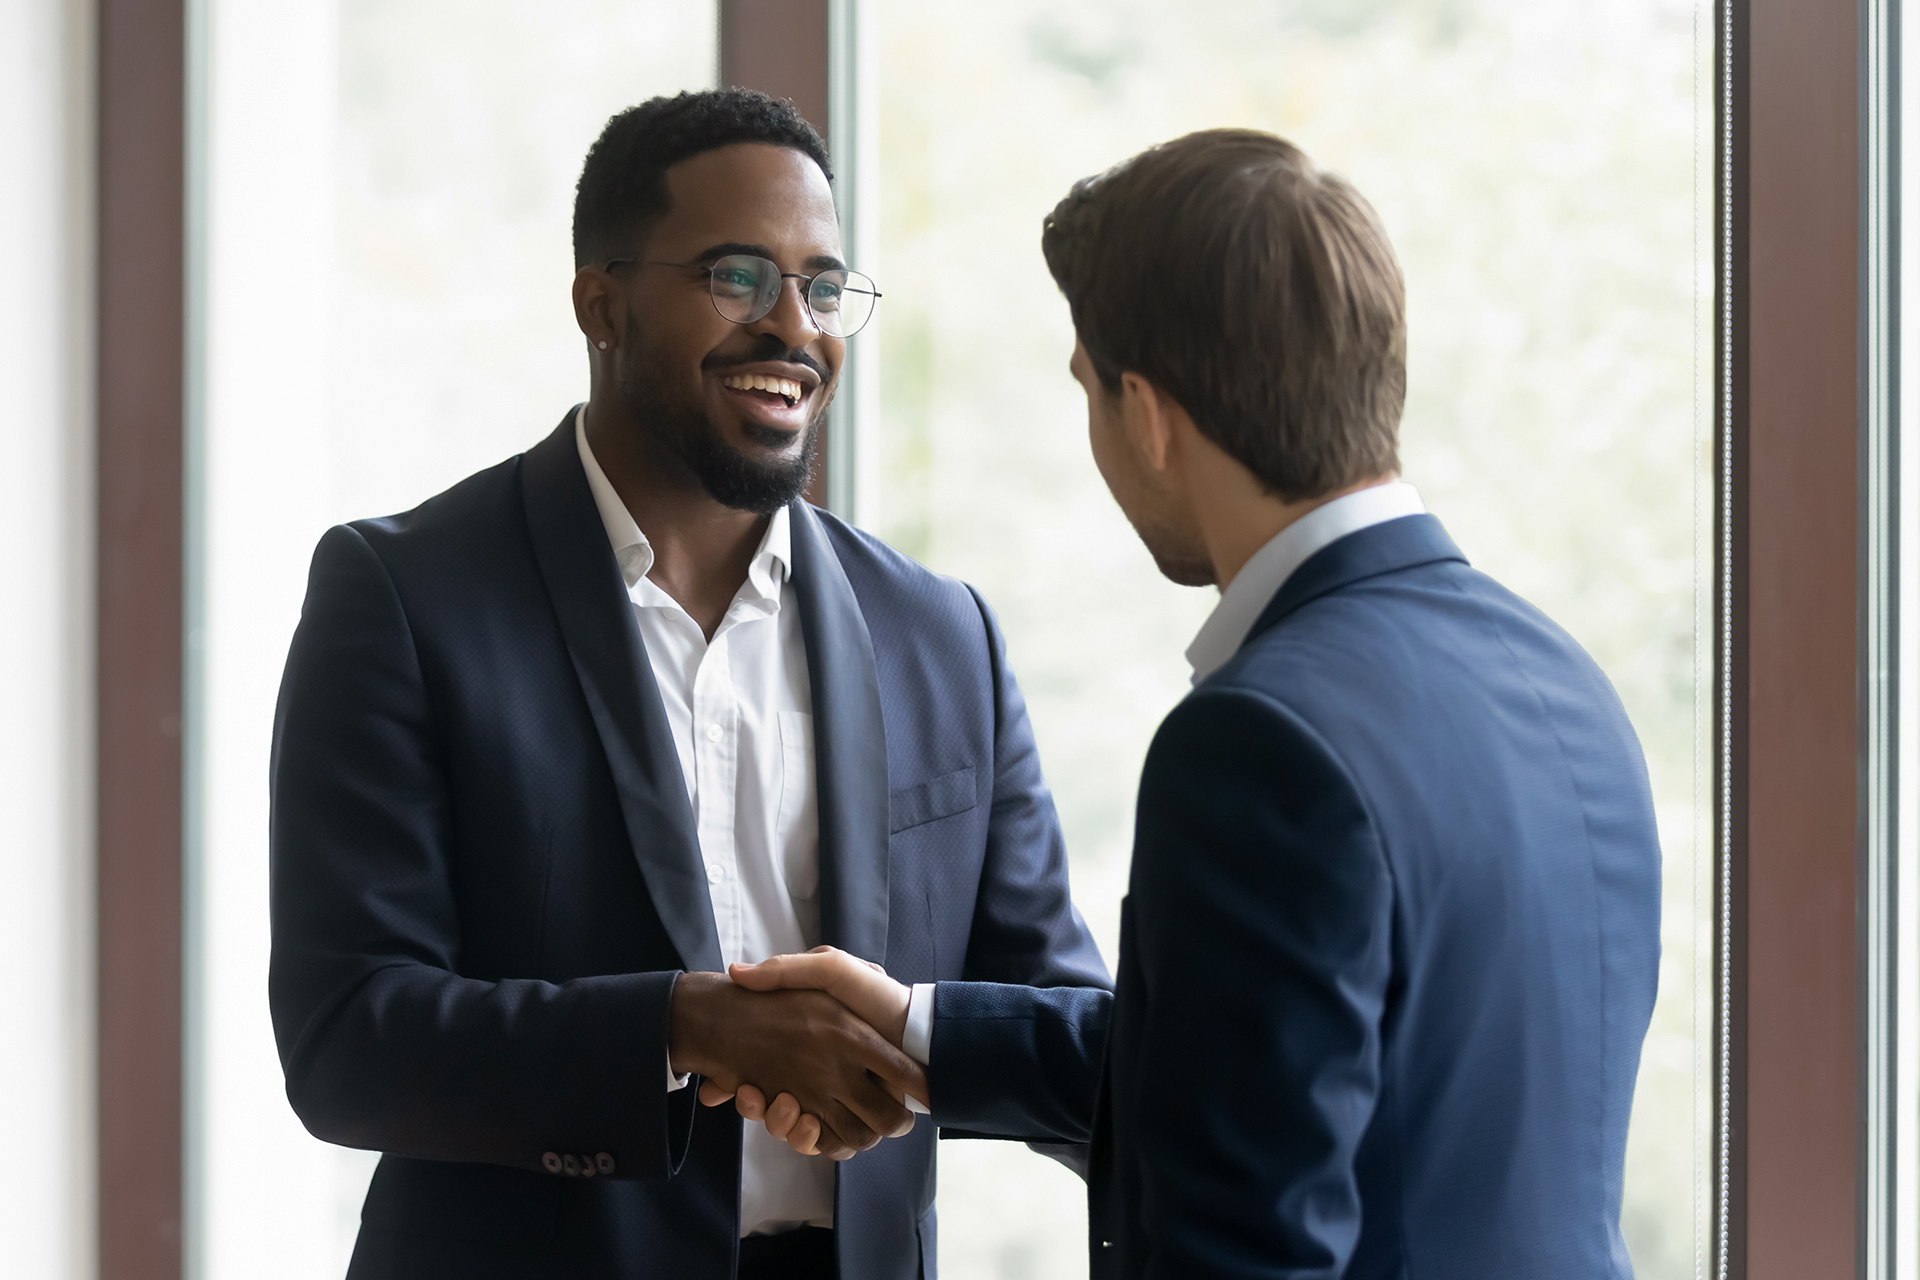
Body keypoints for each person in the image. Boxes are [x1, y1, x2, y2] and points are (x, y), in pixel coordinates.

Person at [728, 128, 1663, 1279]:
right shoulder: (1563, 677)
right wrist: (921, 1030)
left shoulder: (1260, 741)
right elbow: (1292, 1070)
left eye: (1089, 393)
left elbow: (1243, 1247)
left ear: (1151, 414)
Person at [267, 88, 1108, 1280]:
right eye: (737, 276)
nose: (793, 328)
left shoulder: (941, 634)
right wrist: (680, 1025)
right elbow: (347, 1035)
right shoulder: (404, 595)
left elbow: (1069, 1038)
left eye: (822, 288)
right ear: (599, 304)